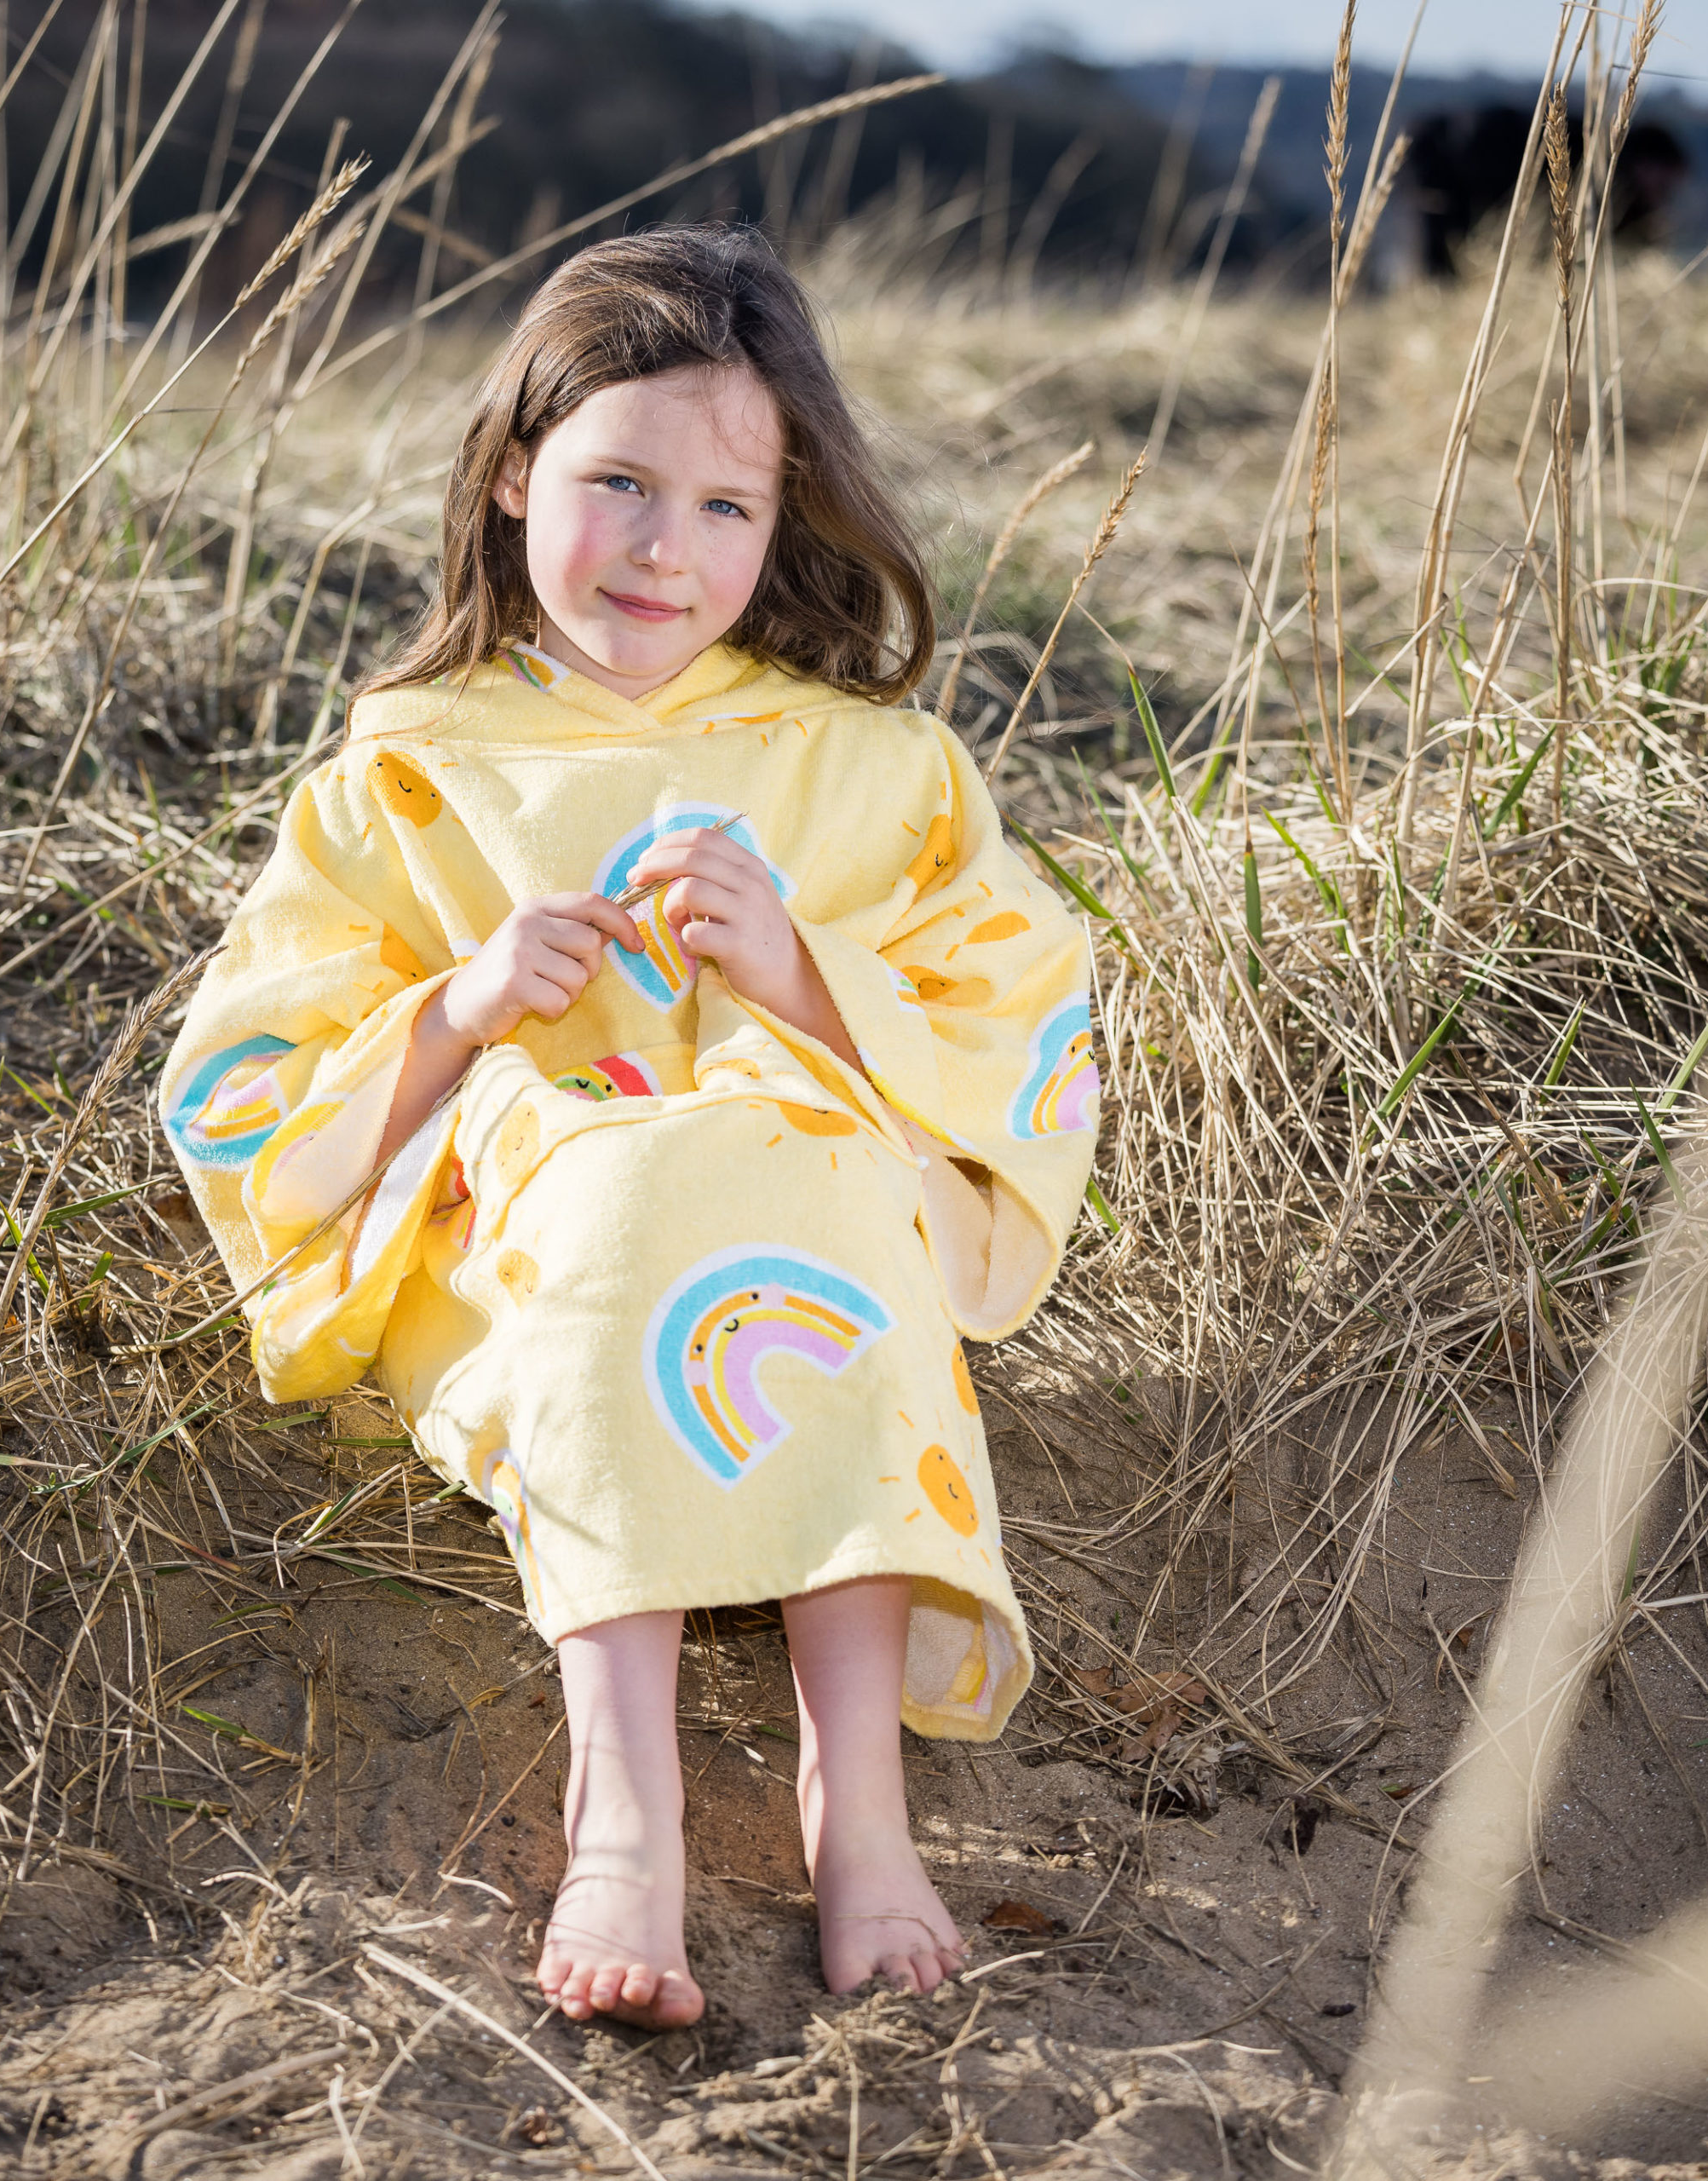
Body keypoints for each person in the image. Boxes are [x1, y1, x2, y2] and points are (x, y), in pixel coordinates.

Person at [159, 226, 1098, 2030]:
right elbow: (246, 1069)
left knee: (803, 1147)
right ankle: (625, 1800)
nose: (668, 550)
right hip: (532, 1233)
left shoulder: (871, 765)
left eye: (727, 507)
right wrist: (458, 1003)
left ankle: (859, 1792)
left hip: (805, 1218)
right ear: (515, 472)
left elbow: (1018, 1007)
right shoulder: (413, 759)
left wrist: (808, 978)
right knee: (613, 1160)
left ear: (782, 519)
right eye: (617, 483)